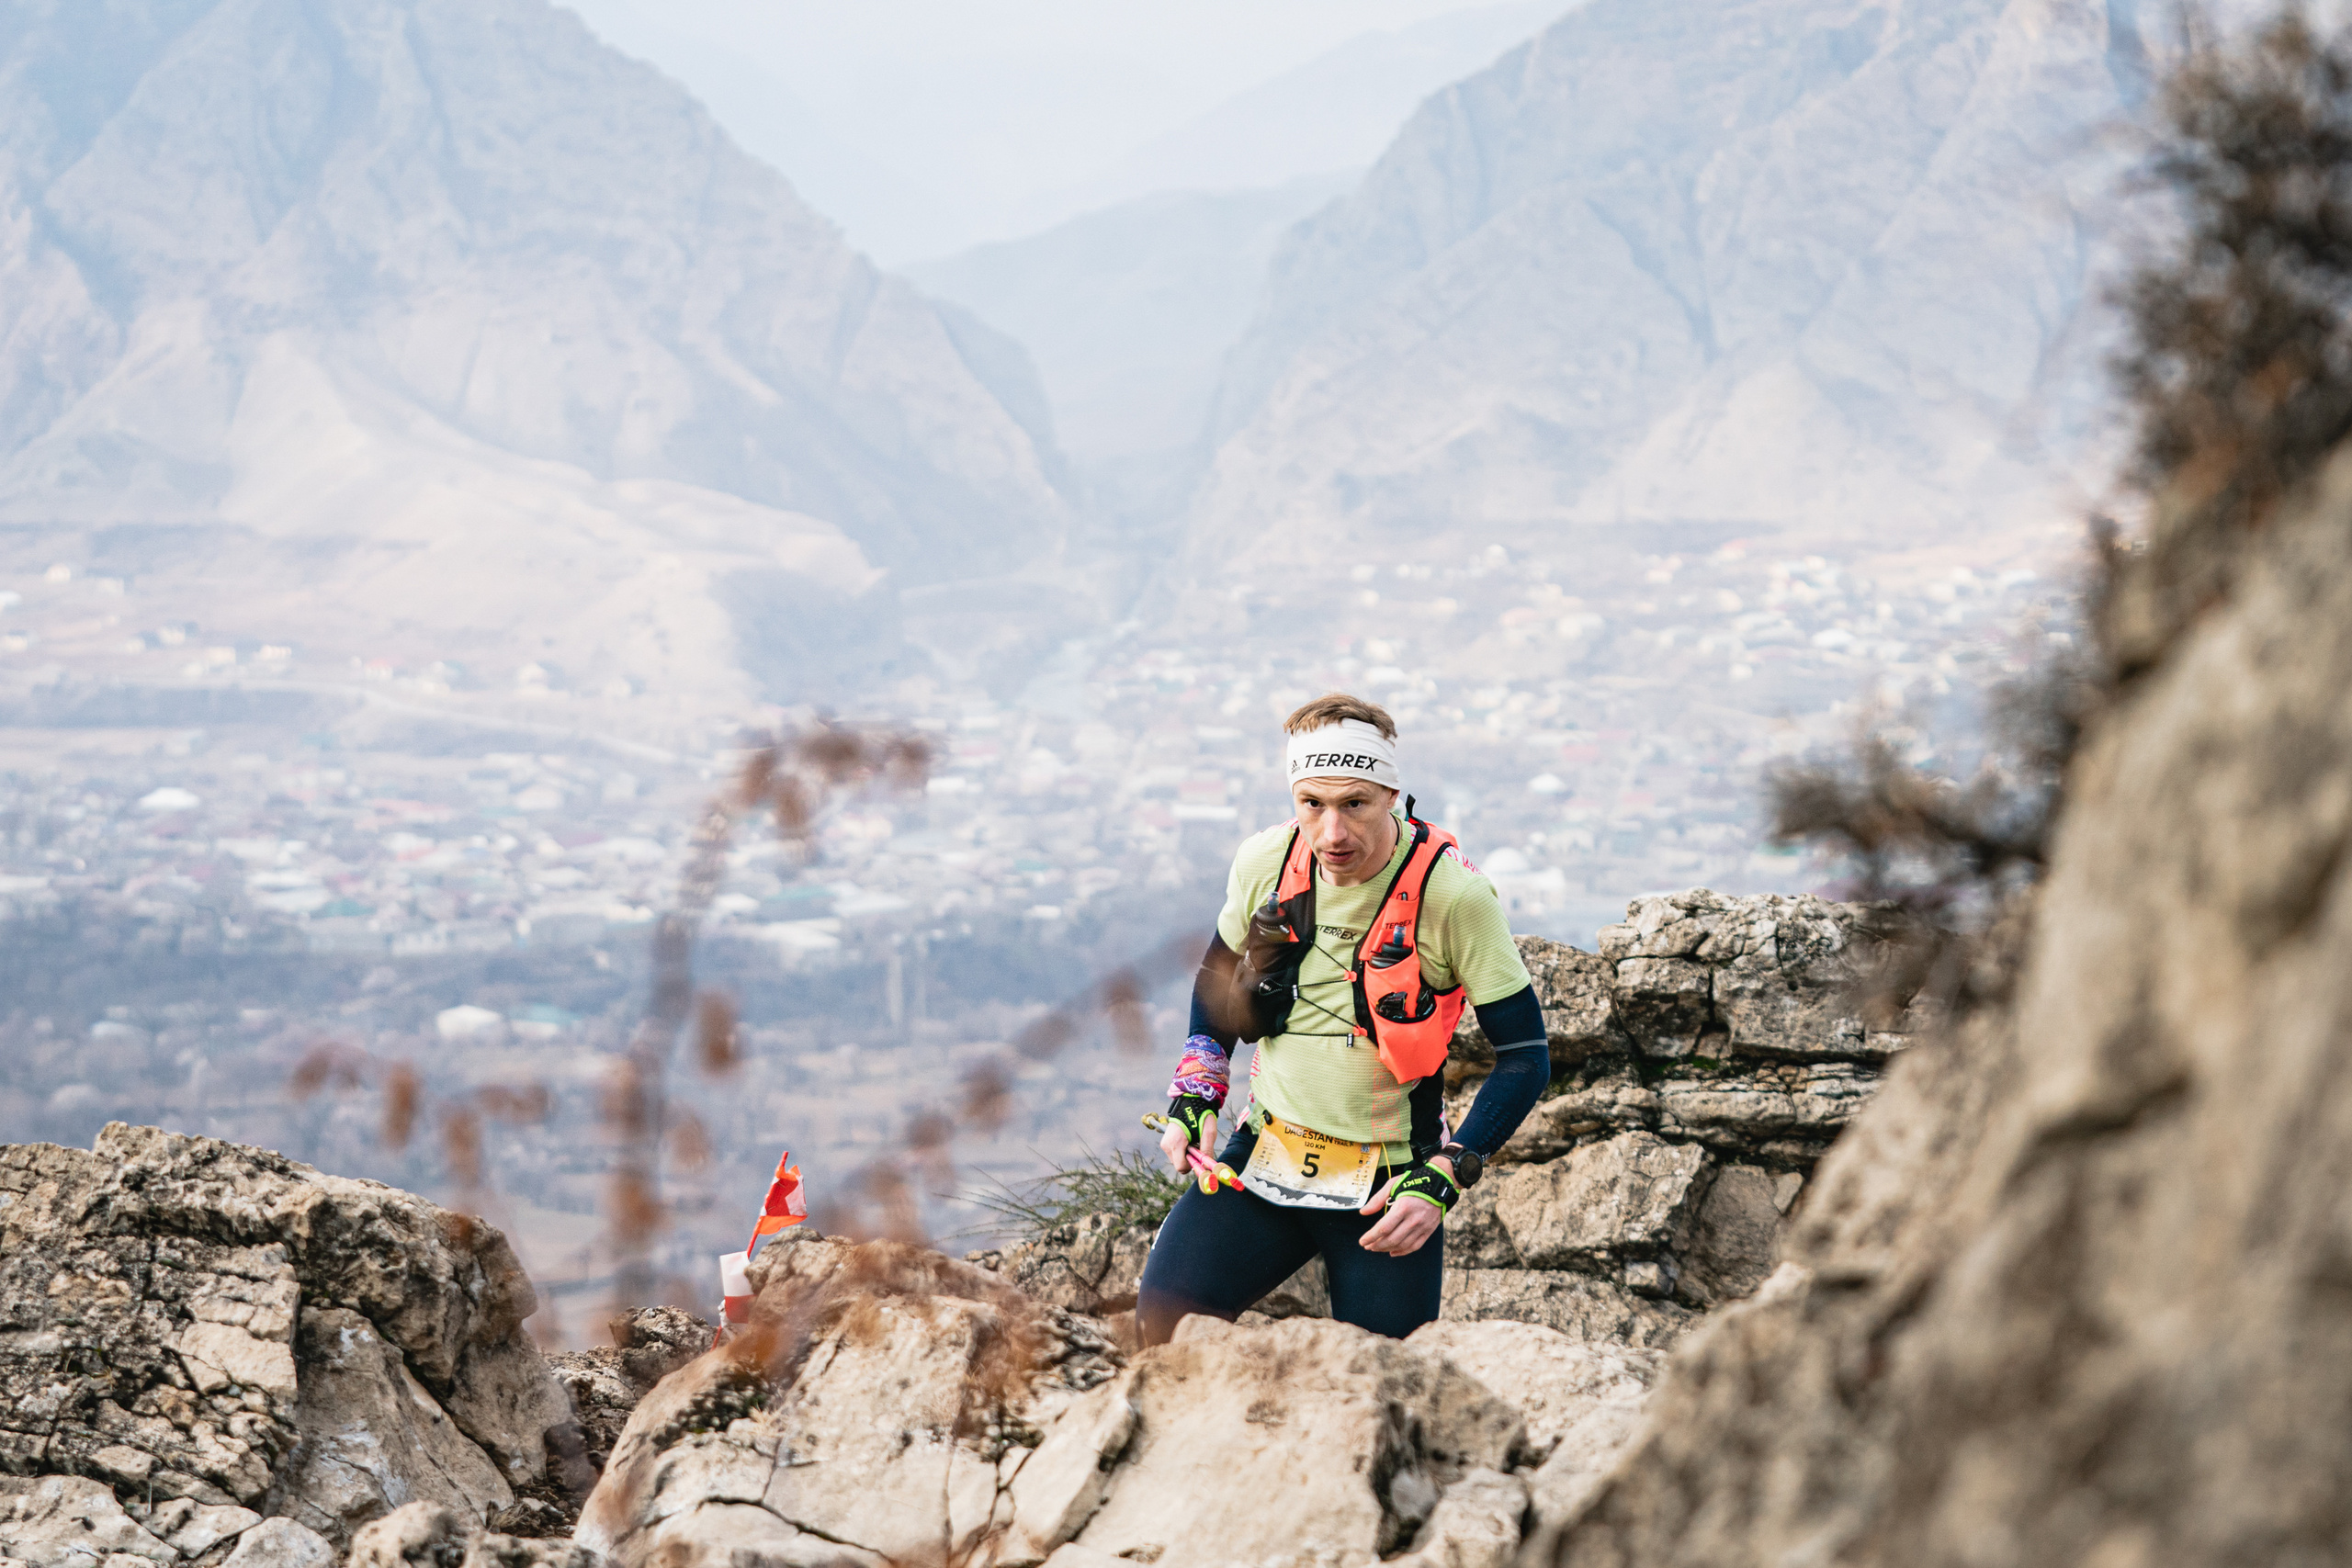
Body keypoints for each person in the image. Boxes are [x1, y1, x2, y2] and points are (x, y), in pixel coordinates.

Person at [1136, 694, 1550, 1344]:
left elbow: (1525, 1054)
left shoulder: (1453, 896)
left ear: (1390, 794)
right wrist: (1196, 1094)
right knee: (1161, 1330)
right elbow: (1216, 980)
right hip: (1266, 1152)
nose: (1332, 833)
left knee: (1385, 1378)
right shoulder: (1267, 862)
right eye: (1312, 804)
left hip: (1389, 1183)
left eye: (1355, 804)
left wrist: (1446, 1174)